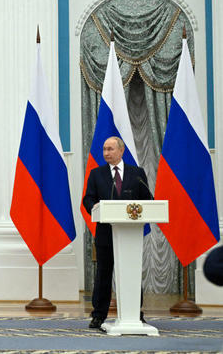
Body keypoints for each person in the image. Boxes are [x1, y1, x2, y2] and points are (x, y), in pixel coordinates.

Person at [82, 136, 152, 330]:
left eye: (110, 149)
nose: (106, 153)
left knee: (131, 273)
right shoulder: (96, 174)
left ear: (121, 151)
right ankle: (99, 315)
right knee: (103, 274)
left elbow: (147, 199)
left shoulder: (136, 173)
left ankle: (134, 313)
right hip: (105, 234)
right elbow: (87, 199)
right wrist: (94, 206)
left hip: (130, 236)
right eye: (104, 149)